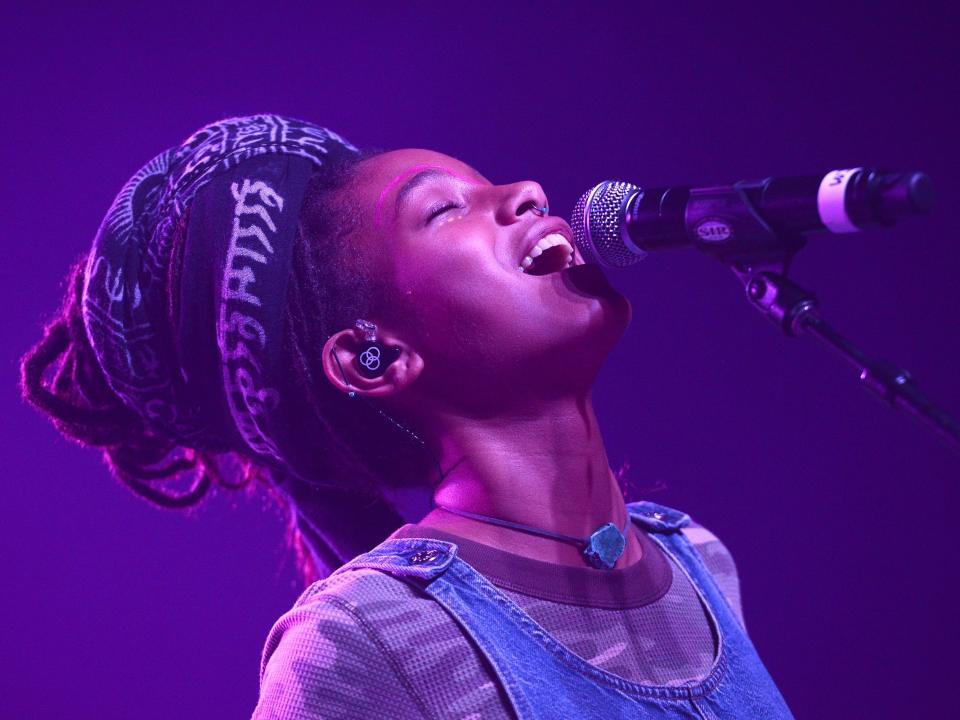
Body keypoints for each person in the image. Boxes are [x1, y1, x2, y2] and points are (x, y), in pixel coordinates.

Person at [21, 114, 793, 718]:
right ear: (376, 358)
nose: (525, 192)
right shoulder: (363, 646)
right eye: (447, 209)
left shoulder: (697, 561)